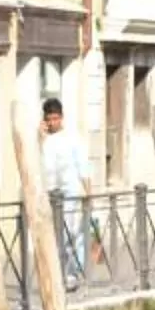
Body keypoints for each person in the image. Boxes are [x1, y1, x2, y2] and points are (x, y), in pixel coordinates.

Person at [40, 97, 89, 289]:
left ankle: (73, 273)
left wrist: (88, 191)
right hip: (50, 191)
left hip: (70, 190)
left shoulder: (72, 137)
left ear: (61, 118)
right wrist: (39, 138)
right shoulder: (43, 139)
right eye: (49, 119)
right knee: (53, 234)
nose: (52, 123)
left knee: (71, 232)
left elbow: (82, 164)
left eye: (55, 119)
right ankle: (56, 273)